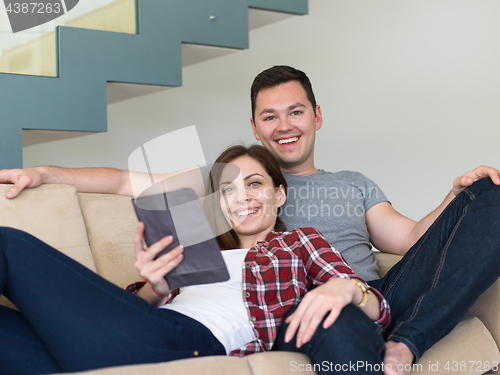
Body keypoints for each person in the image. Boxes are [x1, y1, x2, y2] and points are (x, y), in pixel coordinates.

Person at [1, 65, 499, 374]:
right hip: (237, 319)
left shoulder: (348, 186)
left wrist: (453, 199)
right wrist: (44, 171)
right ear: (256, 126)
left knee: (487, 192)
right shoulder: (227, 180)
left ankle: (407, 342)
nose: (283, 126)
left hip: (360, 302)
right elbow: (128, 182)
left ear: (316, 116)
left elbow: (413, 238)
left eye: (295, 112)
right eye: (269, 116)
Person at [0, 144, 390, 374]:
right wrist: (156, 287)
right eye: (227, 190)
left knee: (9, 246)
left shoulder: (298, 241)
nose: (242, 198)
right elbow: (123, 181)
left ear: (279, 195)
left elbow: (376, 310)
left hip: (193, 342)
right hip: (132, 335)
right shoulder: (195, 246)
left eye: (255, 184)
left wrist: (348, 288)